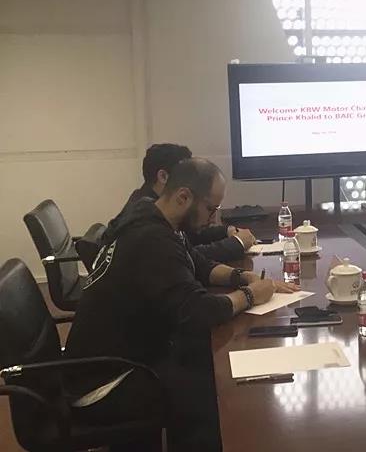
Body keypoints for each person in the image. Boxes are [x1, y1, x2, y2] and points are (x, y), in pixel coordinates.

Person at [65, 158, 299, 451]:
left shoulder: (155, 218)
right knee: (213, 392)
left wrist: (243, 277)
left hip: (126, 358)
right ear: (183, 197)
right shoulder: (149, 240)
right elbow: (198, 312)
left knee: (207, 365)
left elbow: (199, 264)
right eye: (211, 209)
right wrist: (250, 295)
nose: (214, 219)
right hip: (104, 382)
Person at [114, 143, 255, 261]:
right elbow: (183, 256)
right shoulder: (146, 223)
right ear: (163, 176)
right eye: (184, 173)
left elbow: (190, 237)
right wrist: (237, 244)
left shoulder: (148, 203)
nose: (193, 181)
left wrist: (225, 231)